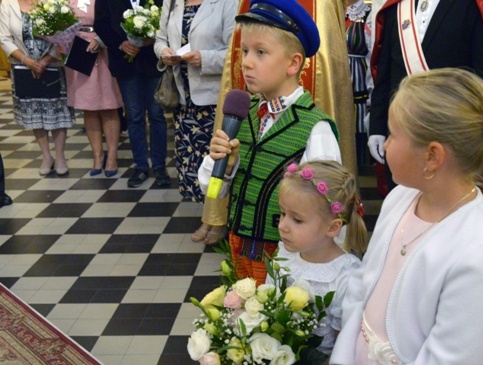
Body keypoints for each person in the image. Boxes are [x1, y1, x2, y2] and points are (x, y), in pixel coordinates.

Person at [332, 68, 483, 365]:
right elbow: (365, 285)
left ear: (433, 157)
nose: (385, 145)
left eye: (392, 134)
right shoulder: (401, 200)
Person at [198, 0, 341, 284]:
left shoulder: (315, 127)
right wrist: (224, 166)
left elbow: (330, 207)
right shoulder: (241, 114)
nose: (247, 62)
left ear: (293, 63)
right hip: (239, 252)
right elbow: (212, 189)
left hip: (288, 261)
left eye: (260, 52)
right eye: (245, 51)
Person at [248, 160, 367, 365]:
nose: (283, 226)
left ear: (333, 227)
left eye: (297, 219)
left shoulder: (348, 276)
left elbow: (345, 353)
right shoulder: (282, 256)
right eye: (282, 214)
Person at [367, 0, 483, 192]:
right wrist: (377, 127)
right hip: (401, 132)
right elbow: (385, 73)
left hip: (449, 135)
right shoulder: (398, 7)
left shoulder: (472, 7)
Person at [154, 0, 237, 244]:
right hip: (183, 98)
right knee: (194, 163)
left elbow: (237, 52)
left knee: (217, 162)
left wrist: (205, 58)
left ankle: (220, 220)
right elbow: (160, 40)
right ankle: (207, 217)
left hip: (215, 99)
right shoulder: (173, 2)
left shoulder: (227, 3)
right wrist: (165, 53)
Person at [95, 0, 171, 188]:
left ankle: (160, 166)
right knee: (135, 116)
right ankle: (141, 167)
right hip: (125, 64)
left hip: (152, 62)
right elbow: (101, 24)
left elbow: (167, 19)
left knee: (156, 115)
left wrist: (155, 39)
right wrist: (121, 44)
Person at [0, 0, 76, 177]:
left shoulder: (55, 2)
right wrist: (28, 62)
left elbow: (66, 36)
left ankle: (60, 156)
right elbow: (4, 38)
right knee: (34, 112)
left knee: (57, 112)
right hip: (23, 66)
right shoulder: (7, 3)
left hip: (52, 64)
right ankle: (46, 156)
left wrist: (44, 61)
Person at [65, 0, 123, 178]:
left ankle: (112, 155)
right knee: (88, 108)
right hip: (78, 49)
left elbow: (115, 19)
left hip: (105, 47)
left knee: (108, 106)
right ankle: (97, 156)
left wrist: (101, 39)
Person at [345, 0, 373, 167]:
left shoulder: (368, 13)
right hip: (338, 71)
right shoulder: (335, 13)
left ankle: (360, 160)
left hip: (359, 72)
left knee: (359, 112)